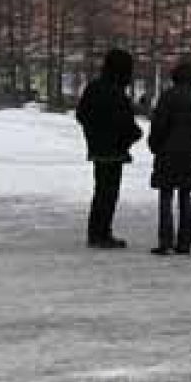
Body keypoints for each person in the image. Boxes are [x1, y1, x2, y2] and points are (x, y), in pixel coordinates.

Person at [76, 48, 142, 249]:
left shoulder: (94, 88)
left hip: (98, 147)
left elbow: (82, 114)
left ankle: (97, 231)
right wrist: (132, 135)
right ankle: (101, 232)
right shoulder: (117, 92)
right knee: (108, 192)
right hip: (115, 149)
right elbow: (125, 122)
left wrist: (93, 133)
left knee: (101, 191)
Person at [147, 58, 191, 255]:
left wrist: (156, 146)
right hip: (190, 154)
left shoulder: (168, 97)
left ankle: (165, 241)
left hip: (167, 153)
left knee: (166, 196)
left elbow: (158, 125)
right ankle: (185, 242)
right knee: (185, 196)